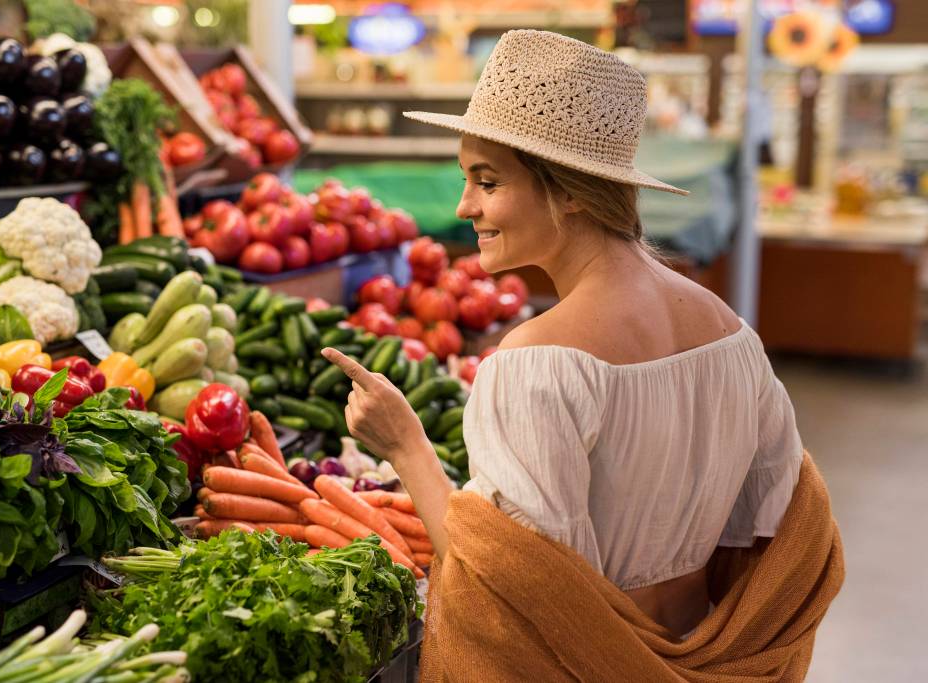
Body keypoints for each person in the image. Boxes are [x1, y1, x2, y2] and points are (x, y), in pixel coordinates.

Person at [322, 30, 843, 681]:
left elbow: (515, 608)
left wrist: (406, 446)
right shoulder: (733, 337)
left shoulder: (534, 366)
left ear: (570, 190)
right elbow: (778, 533)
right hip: (710, 647)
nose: (464, 206)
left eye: (488, 180)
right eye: (466, 180)